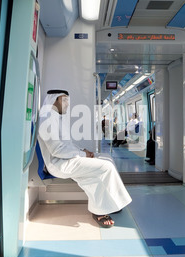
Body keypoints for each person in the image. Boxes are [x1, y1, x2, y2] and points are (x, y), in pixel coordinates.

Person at [38, 89, 132, 228]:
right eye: (65, 101)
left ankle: (108, 204)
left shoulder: (56, 117)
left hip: (67, 158)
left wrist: (83, 151)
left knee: (106, 158)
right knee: (106, 167)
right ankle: (103, 209)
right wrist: (83, 155)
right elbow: (57, 150)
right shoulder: (47, 119)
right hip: (59, 163)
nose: (68, 105)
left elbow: (67, 145)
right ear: (55, 99)